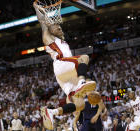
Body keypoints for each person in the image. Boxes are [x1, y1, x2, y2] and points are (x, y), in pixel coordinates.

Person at [33, 2, 96, 130]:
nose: (60, 28)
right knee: (84, 58)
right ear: (50, 30)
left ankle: (53, 112)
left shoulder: (62, 41)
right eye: (57, 27)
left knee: (79, 105)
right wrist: (38, 9)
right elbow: (42, 23)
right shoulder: (49, 38)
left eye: (60, 27)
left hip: (64, 75)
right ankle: (81, 81)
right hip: (62, 64)